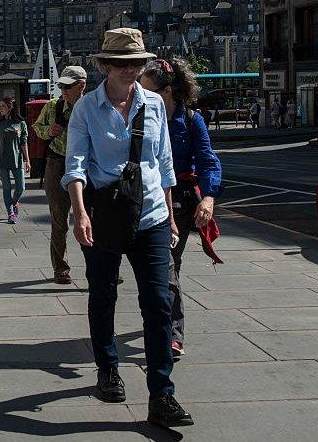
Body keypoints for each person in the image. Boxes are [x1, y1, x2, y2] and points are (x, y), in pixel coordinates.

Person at [64, 28, 192, 428]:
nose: (130, 70)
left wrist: (170, 215)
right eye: (121, 63)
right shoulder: (86, 108)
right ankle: (108, 369)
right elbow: (75, 167)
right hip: (103, 213)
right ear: (104, 65)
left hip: (151, 214)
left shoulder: (155, 104)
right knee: (103, 296)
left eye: (137, 63)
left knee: (157, 303)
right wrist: (80, 214)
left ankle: (162, 395)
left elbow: (164, 165)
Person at [141, 57, 223, 358]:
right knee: (167, 266)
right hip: (153, 199)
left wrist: (209, 198)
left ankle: (170, 331)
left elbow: (208, 160)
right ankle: (168, 327)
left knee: (170, 266)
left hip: (184, 198)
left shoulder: (191, 119)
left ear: (169, 90)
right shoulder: (140, 118)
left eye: (149, 91)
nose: (143, 97)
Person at [33, 65, 88, 284]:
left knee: (94, 217)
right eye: (61, 86)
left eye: (68, 86)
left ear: (81, 86)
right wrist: (48, 131)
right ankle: (60, 269)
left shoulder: (93, 107)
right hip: (58, 164)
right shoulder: (53, 106)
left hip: (87, 168)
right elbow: (37, 127)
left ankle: (100, 267)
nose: (63, 90)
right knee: (59, 220)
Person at [0, 97, 30, 224]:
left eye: (3, 106)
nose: (0, 108)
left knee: (21, 187)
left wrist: (28, 160)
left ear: (10, 107)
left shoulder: (21, 123)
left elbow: (24, 143)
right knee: (6, 187)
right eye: (0, 106)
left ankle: (15, 202)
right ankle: (10, 212)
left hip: (17, 159)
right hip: (1, 159)